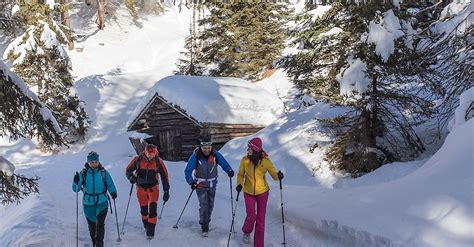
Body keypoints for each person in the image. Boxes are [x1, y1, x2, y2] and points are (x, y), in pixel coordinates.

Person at [236, 137, 284, 247]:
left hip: (262, 192)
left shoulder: (265, 161)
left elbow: (274, 175)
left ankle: (259, 244)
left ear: (255, 150)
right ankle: (246, 231)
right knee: (251, 216)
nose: (247, 150)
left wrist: (279, 176)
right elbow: (240, 174)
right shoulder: (245, 160)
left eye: (250, 148)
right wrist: (239, 184)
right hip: (248, 191)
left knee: (261, 219)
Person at [184, 138, 234, 237]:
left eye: (208, 148)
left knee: (210, 205)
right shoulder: (196, 157)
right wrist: (191, 182)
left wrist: (229, 170)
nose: (206, 150)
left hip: (212, 185)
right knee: (204, 205)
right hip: (200, 185)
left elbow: (224, 163)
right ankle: (204, 225)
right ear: (201, 147)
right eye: (204, 148)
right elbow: (187, 171)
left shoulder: (215, 155)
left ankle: (207, 220)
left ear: (211, 147)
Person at [72, 151, 117, 247]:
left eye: (96, 161)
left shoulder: (103, 172)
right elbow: (75, 189)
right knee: (92, 227)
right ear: (88, 162)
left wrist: (113, 192)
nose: (94, 164)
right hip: (88, 204)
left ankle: (99, 244)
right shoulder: (83, 174)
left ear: (98, 161)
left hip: (102, 202)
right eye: (91, 162)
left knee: (100, 226)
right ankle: (94, 243)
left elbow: (110, 184)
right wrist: (75, 181)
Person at [125, 143, 170, 240]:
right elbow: (128, 170)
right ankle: (146, 226)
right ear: (145, 152)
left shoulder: (158, 162)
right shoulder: (138, 160)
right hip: (140, 188)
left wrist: (166, 190)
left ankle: (151, 232)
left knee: (153, 210)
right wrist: (131, 177)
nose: (150, 155)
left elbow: (164, 176)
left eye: (152, 153)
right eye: (148, 153)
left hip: (153, 188)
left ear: (155, 153)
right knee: (144, 210)